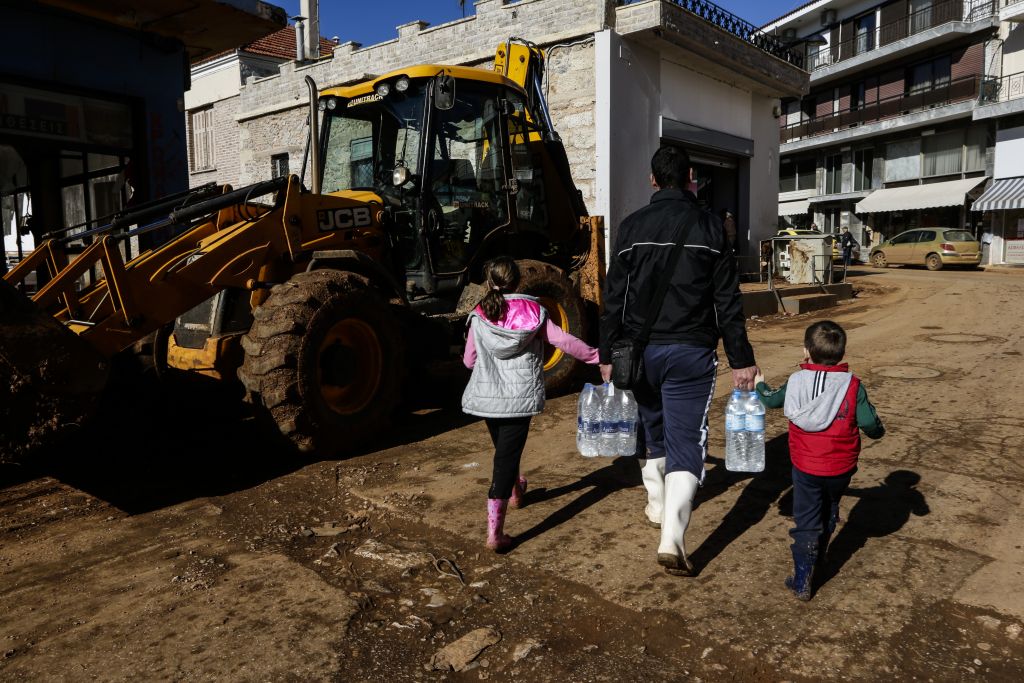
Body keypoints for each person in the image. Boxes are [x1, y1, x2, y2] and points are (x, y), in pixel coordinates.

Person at [599, 145, 759, 576]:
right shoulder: (711, 227)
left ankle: (655, 505)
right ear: (691, 176)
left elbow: (613, 297)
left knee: (652, 427)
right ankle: (671, 538)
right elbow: (727, 301)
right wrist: (741, 358)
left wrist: (605, 354)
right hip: (690, 352)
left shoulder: (630, 227)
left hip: (638, 353)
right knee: (687, 440)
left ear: (653, 180)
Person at [463, 257, 599, 552]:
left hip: (488, 400)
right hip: (518, 400)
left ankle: (515, 493)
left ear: (490, 282)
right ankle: (494, 535)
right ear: (516, 281)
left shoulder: (480, 313)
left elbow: (468, 360)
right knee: (505, 461)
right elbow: (564, 342)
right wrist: (596, 357)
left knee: (506, 452)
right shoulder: (534, 312)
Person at [754, 320, 884, 601]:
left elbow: (772, 400)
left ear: (806, 352)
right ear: (842, 353)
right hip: (841, 467)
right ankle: (820, 557)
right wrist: (878, 430)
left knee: (806, 518)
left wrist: (759, 385)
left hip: (805, 466)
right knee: (829, 507)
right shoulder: (852, 385)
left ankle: (803, 578)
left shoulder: (796, 381)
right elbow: (869, 423)